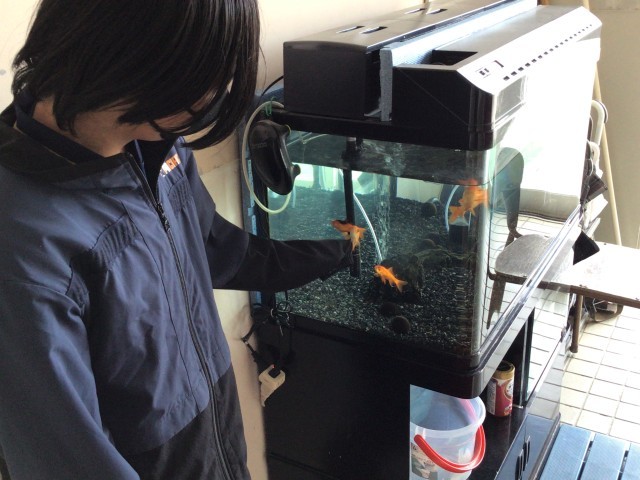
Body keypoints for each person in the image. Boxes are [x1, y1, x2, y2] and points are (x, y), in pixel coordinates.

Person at [0, 1, 354, 479]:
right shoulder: (27, 252)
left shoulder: (155, 146)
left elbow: (218, 251)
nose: (218, 92)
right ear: (146, 59)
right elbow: (64, 462)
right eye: (211, 73)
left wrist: (335, 254)